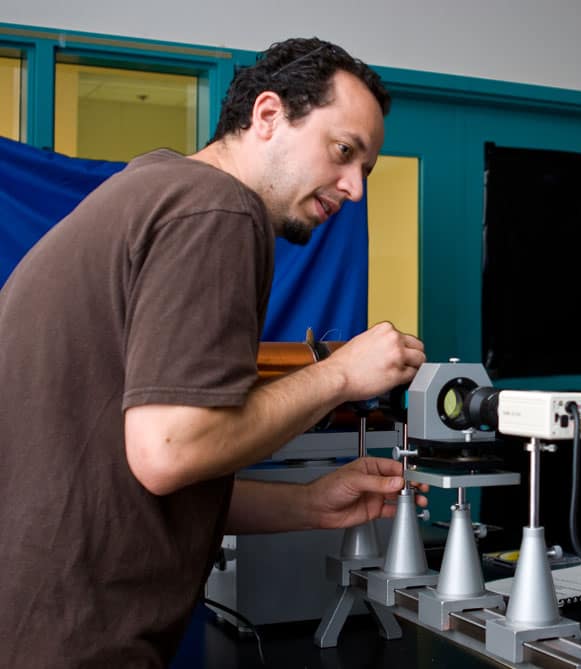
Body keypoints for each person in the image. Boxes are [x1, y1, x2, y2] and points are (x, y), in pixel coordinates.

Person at [0, 38, 428, 667]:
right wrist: (338, 375)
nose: (353, 189)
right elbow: (171, 452)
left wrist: (308, 503)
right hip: (70, 641)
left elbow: (132, 478)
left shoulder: (152, 192)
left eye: (365, 170)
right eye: (343, 152)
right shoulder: (218, 210)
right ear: (268, 116)